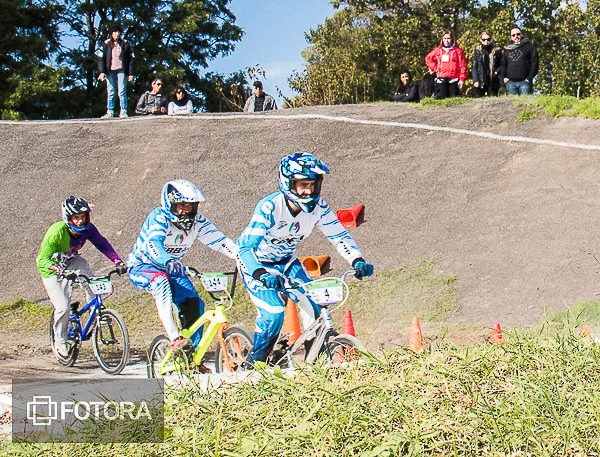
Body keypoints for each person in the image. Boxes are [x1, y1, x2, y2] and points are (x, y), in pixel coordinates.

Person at [237, 153, 374, 363]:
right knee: (274, 314)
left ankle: (313, 363)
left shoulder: (319, 208)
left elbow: (339, 235)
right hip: (257, 265)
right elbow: (245, 247)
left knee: (315, 305)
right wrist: (260, 273)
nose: (308, 191)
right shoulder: (270, 207)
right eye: (302, 185)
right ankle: (254, 364)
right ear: (288, 184)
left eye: (312, 184)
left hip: (287, 262)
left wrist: (357, 260)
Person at [127, 180, 238, 352]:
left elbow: (220, 241)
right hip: (143, 266)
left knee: (194, 303)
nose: (186, 210)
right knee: (161, 281)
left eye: (190, 206)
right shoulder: (159, 217)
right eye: (181, 205)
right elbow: (153, 244)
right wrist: (168, 261)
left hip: (172, 268)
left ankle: (193, 353)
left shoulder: (198, 222)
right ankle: (175, 339)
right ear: (170, 203)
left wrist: (241, 257)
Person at [37, 197, 127, 358]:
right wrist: (59, 270)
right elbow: (42, 260)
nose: (80, 221)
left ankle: (97, 312)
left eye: (83, 217)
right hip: (51, 270)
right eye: (76, 217)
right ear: (68, 218)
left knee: (90, 278)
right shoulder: (56, 232)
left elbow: (102, 243)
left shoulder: (89, 229)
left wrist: (117, 261)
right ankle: (60, 341)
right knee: (63, 307)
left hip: (72, 261)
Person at [96, 22, 135, 118]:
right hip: (110, 71)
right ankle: (110, 111)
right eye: (115, 31)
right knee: (111, 91)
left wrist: (131, 73)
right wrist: (102, 72)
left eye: (119, 32)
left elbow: (132, 59)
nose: (117, 34)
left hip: (122, 70)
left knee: (122, 91)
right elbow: (100, 58)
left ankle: (124, 111)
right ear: (111, 33)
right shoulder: (105, 44)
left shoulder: (125, 44)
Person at [424, 31, 467, 99]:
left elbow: (463, 65)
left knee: (454, 99)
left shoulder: (458, 51)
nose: (447, 40)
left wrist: (462, 79)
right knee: (442, 98)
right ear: (442, 39)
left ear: (452, 39)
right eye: (445, 38)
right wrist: (435, 68)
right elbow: (428, 59)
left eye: (448, 38)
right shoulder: (438, 50)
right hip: (441, 78)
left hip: (454, 78)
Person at [502, 26, 539, 95]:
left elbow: (535, 64)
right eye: (513, 35)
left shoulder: (529, 47)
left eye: (518, 34)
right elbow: (503, 65)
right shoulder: (507, 50)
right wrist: (504, 77)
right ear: (511, 37)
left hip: (525, 82)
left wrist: (529, 78)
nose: (516, 36)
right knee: (512, 105)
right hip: (510, 83)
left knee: (526, 104)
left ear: (522, 34)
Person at [470, 32, 504, 97]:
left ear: (491, 39)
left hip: (493, 80)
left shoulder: (497, 50)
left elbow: (502, 64)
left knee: (493, 101)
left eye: (488, 39)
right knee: (478, 101)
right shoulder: (477, 50)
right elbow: (475, 66)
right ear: (480, 40)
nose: (486, 41)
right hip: (481, 79)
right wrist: (476, 80)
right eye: (484, 39)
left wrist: (497, 72)